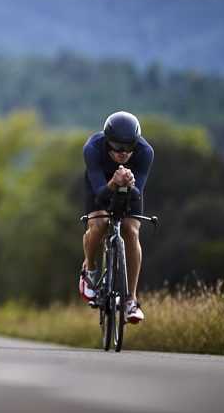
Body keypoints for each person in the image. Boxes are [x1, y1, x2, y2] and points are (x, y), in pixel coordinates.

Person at [79, 111, 153, 324]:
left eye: (129, 147)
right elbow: (101, 192)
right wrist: (113, 182)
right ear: (108, 141)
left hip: (130, 191)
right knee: (99, 224)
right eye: (118, 148)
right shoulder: (93, 149)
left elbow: (138, 192)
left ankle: (131, 300)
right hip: (99, 186)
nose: (124, 153)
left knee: (131, 231)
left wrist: (129, 184)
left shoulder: (145, 152)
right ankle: (90, 268)